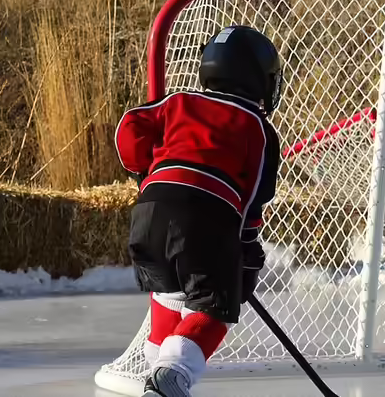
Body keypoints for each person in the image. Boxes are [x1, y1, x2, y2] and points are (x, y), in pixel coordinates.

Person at [114, 25, 283, 397]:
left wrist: (146, 168)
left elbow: (129, 126)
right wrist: (246, 256)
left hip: (148, 216)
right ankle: (172, 374)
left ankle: (157, 380)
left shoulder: (177, 101)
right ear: (258, 77)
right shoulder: (258, 127)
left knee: (168, 295)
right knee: (214, 308)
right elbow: (253, 197)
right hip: (206, 219)